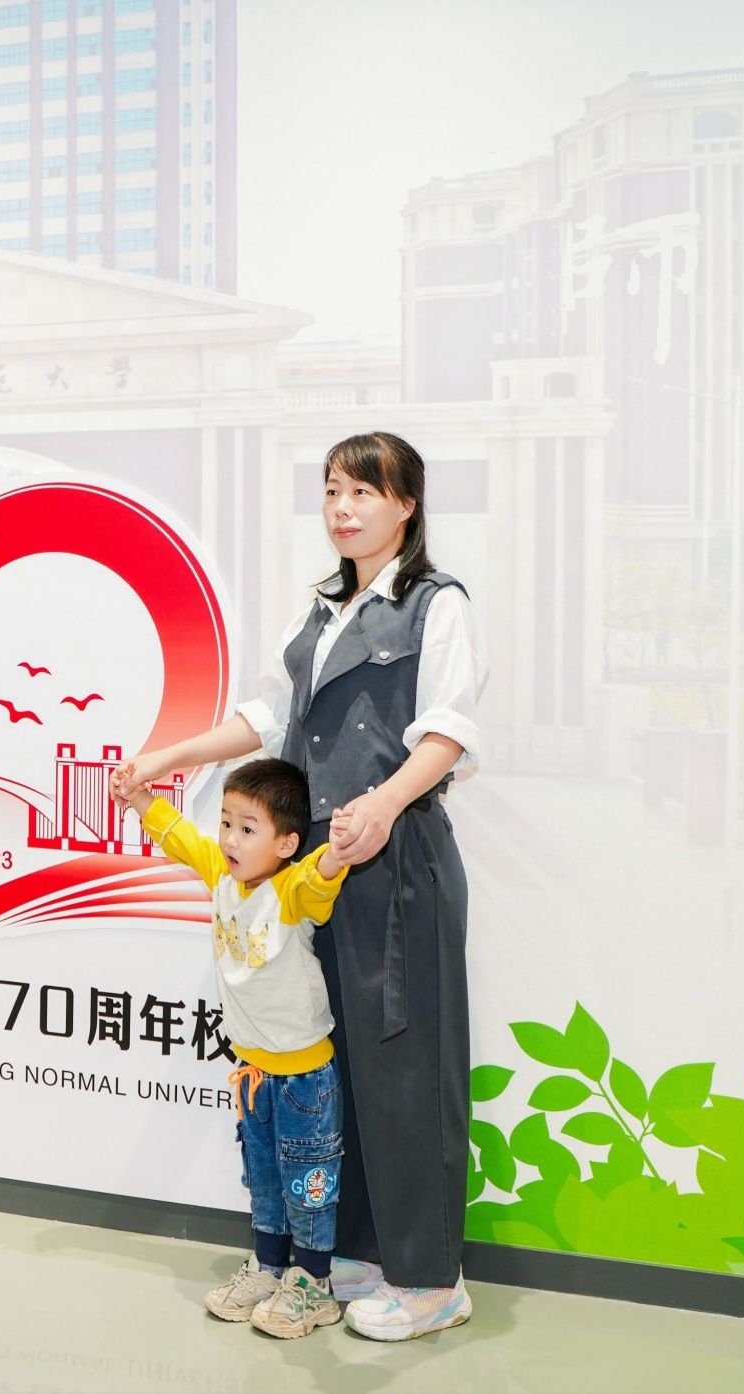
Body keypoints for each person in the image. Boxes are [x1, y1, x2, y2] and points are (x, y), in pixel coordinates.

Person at [116, 431, 486, 1342]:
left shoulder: (435, 604)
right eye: (331, 491)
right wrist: (167, 757)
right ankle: (357, 1255)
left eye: (365, 491)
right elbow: (268, 716)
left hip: (394, 857)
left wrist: (385, 805)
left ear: (407, 505)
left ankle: (432, 1280)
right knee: (340, 1059)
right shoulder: (322, 611)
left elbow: (448, 730)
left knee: (406, 1067)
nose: (343, 509)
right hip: (317, 864)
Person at [115, 757, 351, 1338]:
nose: (229, 839)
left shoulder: (290, 891)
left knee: (308, 1185)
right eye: (226, 823)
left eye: (248, 828)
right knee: (263, 1178)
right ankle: (269, 1269)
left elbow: (321, 875)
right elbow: (179, 836)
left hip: (305, 1082)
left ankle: (313, 1285)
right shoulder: (222, 877)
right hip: (253, 1075)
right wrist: (139, 798)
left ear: (286, 843)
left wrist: (342, 847)